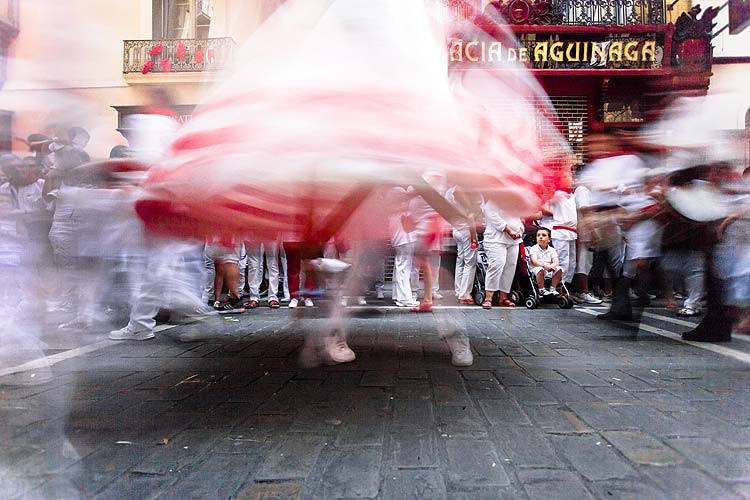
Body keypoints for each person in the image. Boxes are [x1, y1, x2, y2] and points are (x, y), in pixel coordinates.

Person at [540, 167, 577, 295]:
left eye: (570, 176)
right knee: (562, 261)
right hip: (561, 232)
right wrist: (555, 214)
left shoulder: (572, 195)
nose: (569, 179)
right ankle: (557, 287)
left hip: (572, 232)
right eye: (565, 177)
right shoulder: (557, 195)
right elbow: (544, 207)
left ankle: (565, 286)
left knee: (571, 263)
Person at [481, 198, 522, 308]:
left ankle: (503, 297)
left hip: (513, 240)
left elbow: (518, 219)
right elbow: (494, 218)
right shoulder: (492, 203)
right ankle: (488, 297)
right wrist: (509, 230)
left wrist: (520, 230)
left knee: (510, 267)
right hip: (495, 239)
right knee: (496, 265)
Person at [446, 185, 481, 304]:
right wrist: (473, 236)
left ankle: (459, 290)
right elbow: (470, 215)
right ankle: (464, 293)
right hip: (466, 230)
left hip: (456, 229)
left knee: (460, 261)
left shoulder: (448, 192)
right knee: (470, 263)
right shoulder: (459, 192)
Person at [529, 227, 563, 296]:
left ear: (549, 239)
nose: (540, 237)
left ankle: (553, 288)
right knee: (540, 269)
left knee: (559, 269)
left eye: (544, 235)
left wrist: (551, 266)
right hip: (537, 268)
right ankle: (541, 289)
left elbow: (556, 262)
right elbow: (534, 261)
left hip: (549, 268)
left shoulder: (552, 250)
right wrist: (544, 266)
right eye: (538, 235)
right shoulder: (534, 248)